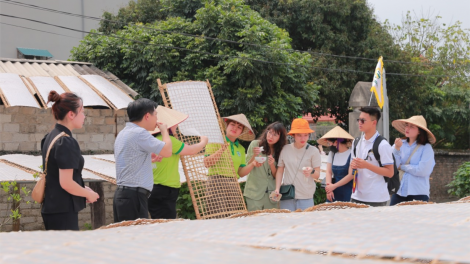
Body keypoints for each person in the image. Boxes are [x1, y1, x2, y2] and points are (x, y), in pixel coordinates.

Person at [41, 90, 99, 231]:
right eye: (82, 111)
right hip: (62, 211)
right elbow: (66, 182)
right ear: (71, 114)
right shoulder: (66, 141)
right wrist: (88, 194)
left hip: (52, 207)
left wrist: (83, 188)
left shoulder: (50, 136)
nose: (84, 116)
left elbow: (56, 175)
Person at [113, 99, 173, 223]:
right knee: (137, 238)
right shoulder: (140, 133)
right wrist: (164, 131)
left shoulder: (124, 132)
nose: (157, 119)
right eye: (155, 115)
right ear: (147, 116)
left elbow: (129, 158)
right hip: (134, 196)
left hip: (124, 195)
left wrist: (147, 158)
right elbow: (167, 151)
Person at [148, 106, 209, 219]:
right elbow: (191, 150)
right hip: (165, 188)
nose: (176, 125)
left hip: (152, 188)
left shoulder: (150, 139)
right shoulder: (169, 140)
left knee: (157, 221)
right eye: (174, 123)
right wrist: (203, 142)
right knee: (167, 224)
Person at [203, 114, 261, 216]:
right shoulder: (215, 141)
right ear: (226, 125)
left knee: (232, 218)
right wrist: (221, 149)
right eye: (232, 124)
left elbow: (241, 173)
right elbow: (207, 163)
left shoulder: (241, 149)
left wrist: (252, 164)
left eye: (239, 127)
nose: (235, 128)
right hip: (216, 182)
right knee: (218, 217)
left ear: (241, 132)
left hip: (234, 185)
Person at [350, 106, 394, 207]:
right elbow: (352, 169)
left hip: (376, 197)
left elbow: (390, 172)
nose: (359, 123)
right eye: (359, 120)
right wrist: (353, 165)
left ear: (374, 123)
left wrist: (367, 165)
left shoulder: (383, 145)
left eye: (363, 120)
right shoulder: (356, 142)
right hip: (356, 195)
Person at [274, 118, 321, 211]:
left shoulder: (314, 151)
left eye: (306, 135)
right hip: (287, 195)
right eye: (299, 135)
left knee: (306, 224)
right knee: (287, 224)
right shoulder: (285, 149)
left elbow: (317, 175)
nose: (303, 138)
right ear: (293, 135)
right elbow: (280, 171)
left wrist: (311, 171)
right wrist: (277, 188)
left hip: (306, 196)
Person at [390, 115, 436, 205]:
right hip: (399, 191)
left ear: (419, 131)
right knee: (393, 217)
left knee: (417, 219)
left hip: (418, 192)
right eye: (407, 125)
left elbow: (423, 170)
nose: (407, 128)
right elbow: (392, 166)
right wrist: (397, 149)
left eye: (412, 126)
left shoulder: (426, 148)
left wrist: (402, 167)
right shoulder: (399, 144)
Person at [244, 122, 287, 211]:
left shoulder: (281, 151)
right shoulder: (255, 144)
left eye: (275, 135)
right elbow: (247, 166)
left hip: (271, 194)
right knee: (253, 221)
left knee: (270, 222)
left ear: (280, 138)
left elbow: (277, 175)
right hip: (254, 192)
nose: (271, 136)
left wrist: (272, 165)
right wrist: (254, 156)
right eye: (270, 132)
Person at [318, 126, 354, 202]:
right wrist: (329, 189)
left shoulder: (352, 154)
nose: (329, 145)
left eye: (329, 143)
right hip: (333, 191)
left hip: (347, 191)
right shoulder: (332, 154)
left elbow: (351, 175)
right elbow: (328, 171)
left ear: (336, 142)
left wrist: (334, 186)